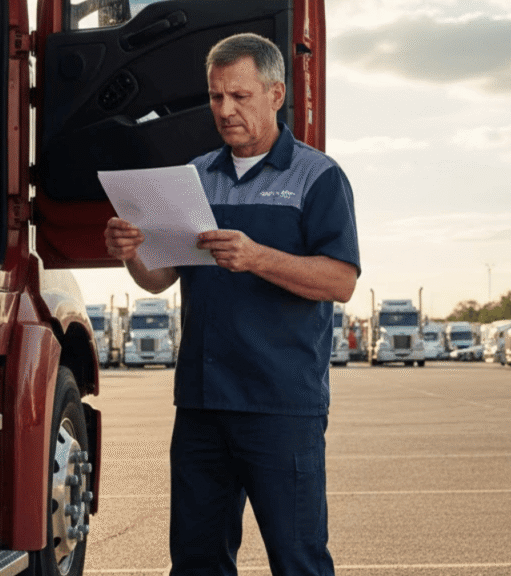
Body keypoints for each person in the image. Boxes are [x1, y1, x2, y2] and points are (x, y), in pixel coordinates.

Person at [103, 32, 360, 576]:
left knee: (298, 560)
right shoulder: (194, 177)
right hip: (202, 405)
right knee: (197, 561)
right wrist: (132, 254)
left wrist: (258, 257)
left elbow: (340, 281)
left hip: (280, 406)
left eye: (239, 96)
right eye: (216, 96)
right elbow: (161, 278)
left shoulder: (318, 177)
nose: (225, 110)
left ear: (276, 93)